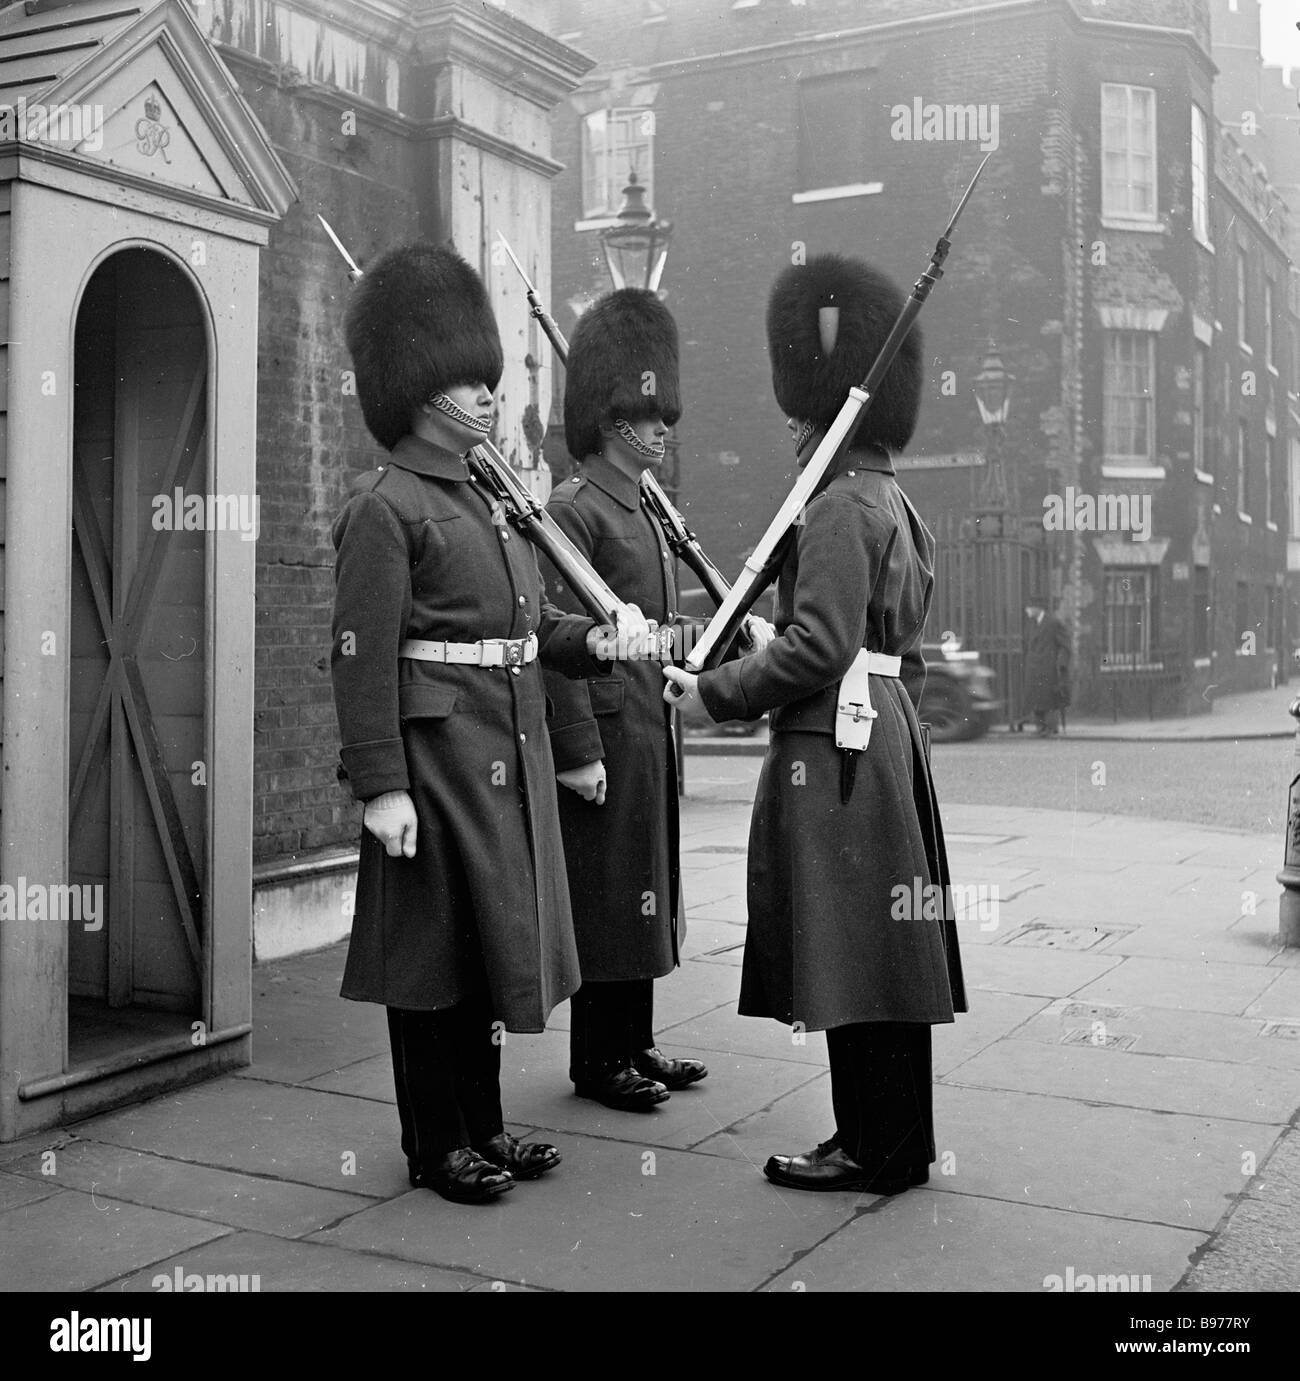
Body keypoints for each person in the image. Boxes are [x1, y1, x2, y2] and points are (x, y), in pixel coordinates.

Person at [330, 242, 651, 1204]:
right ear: (420, 391)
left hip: (500, 751)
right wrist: (379, 783)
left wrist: (590, 643)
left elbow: (521, 629)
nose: (484, 396)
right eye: (467, 381)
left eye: (485, 379)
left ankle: (485, 1124)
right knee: (429, 964)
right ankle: (435, 1143)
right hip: (433, 762)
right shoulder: (383, 508)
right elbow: (359, 654)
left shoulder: (487, 502)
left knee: (482, 953)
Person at [664, 253, 966, 1195]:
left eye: (799, 411)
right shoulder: (898, 503)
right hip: (885, 740)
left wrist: (711, 694)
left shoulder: (837, 505)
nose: (791, 426)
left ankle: (867, 1146)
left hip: (836, 750)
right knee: (886, 954)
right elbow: (888, 651)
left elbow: (818, 651)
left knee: (848, 951)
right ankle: (896, 1142)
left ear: (823, 407)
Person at [540, 288, 710, 1112]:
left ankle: (635, 1039)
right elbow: (557, 637)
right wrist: (576, 749)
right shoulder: (577, 508)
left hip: (650, 725)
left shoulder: (641, 507)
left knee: (646, 882)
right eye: (649, 414)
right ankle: (596, 1058)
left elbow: (653, 627)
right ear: (613, 418)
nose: (662, 425)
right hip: (606, 734)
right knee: (608, 893)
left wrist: (712, 637)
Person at [1022, 598, 1071, 735]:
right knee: (1035, 698)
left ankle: (1051, 727)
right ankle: (1040, 727)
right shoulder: (1031, 624)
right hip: (1033, 667)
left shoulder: (1052, 623)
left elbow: (1065, 645)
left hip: (1048, 667)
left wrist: (1061, 663)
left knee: (1048, 699)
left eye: (1029, 607)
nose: (1027, 611)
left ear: (1038, 608)